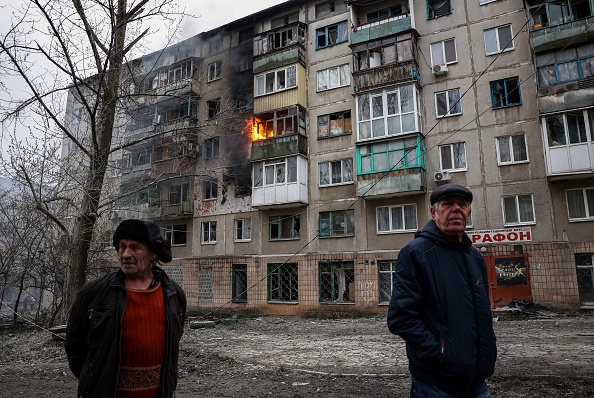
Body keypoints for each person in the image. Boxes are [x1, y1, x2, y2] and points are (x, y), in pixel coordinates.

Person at [387, 184, 497, 398]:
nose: (456, 209)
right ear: (433, 212)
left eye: (462, 205)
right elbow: (401, 318)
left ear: (469, 213)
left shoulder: (475, 258)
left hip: (478, 382)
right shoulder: (415, 253)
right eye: (447, 204)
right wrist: (440, 354)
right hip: (436, 385)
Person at [65, 219, 187, 398]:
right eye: (122, 246)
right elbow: (75, 346)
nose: (126, 254)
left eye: (135, 247)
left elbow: (173, 346)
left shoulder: (173, 295)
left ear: (153, 253)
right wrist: (96, 380)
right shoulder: (94, 293)